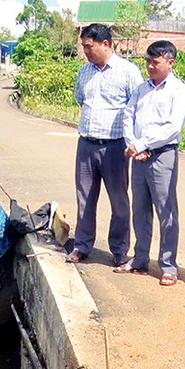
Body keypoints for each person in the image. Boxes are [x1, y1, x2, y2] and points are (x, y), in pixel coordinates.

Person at [114, 40, 185, 286]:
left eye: (155, 62)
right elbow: (128, 115)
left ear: (170, 63)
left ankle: (168, 266)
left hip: (163, 155)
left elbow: (172, 127)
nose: (149, 66)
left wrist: (143, 144)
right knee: (140, 210)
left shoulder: (179, 90)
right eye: (147, 61)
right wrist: (134, 144)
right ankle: (140, 259)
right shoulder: (141, 89)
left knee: (166, 211)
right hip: (138, 156)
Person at [66, 23, 143, 266]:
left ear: (105, 44)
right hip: (87, 144)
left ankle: (120, 251)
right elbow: (82, 101)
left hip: (115, 147)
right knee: (85, 198)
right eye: (83, 46)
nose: (85, 51)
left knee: (119, 200)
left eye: (88, 46)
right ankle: (82, 246)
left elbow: (138, 107)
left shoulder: (128, 72)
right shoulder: (84, 72)